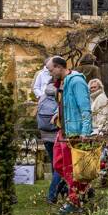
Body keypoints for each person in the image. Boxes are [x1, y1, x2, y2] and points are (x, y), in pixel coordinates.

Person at [56, 57, 94, 215]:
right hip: (63, 130)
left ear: (59, 67)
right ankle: (84, 189)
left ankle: (74, 200)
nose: (49, 73)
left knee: (73, 169)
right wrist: (55, 114)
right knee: (58, 164)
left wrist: (85, 132)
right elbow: (65, 105)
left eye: (51, 70)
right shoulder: (63, 82)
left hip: (75, 132)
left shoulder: (77, 81)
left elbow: (85, 109)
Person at [40, 57, 66, 205]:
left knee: (55, 165)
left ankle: (62, 192)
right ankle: (52, 194)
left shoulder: (43, 96)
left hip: (45, 136)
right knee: (60, 167)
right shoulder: (59, 94)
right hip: (57, 135)